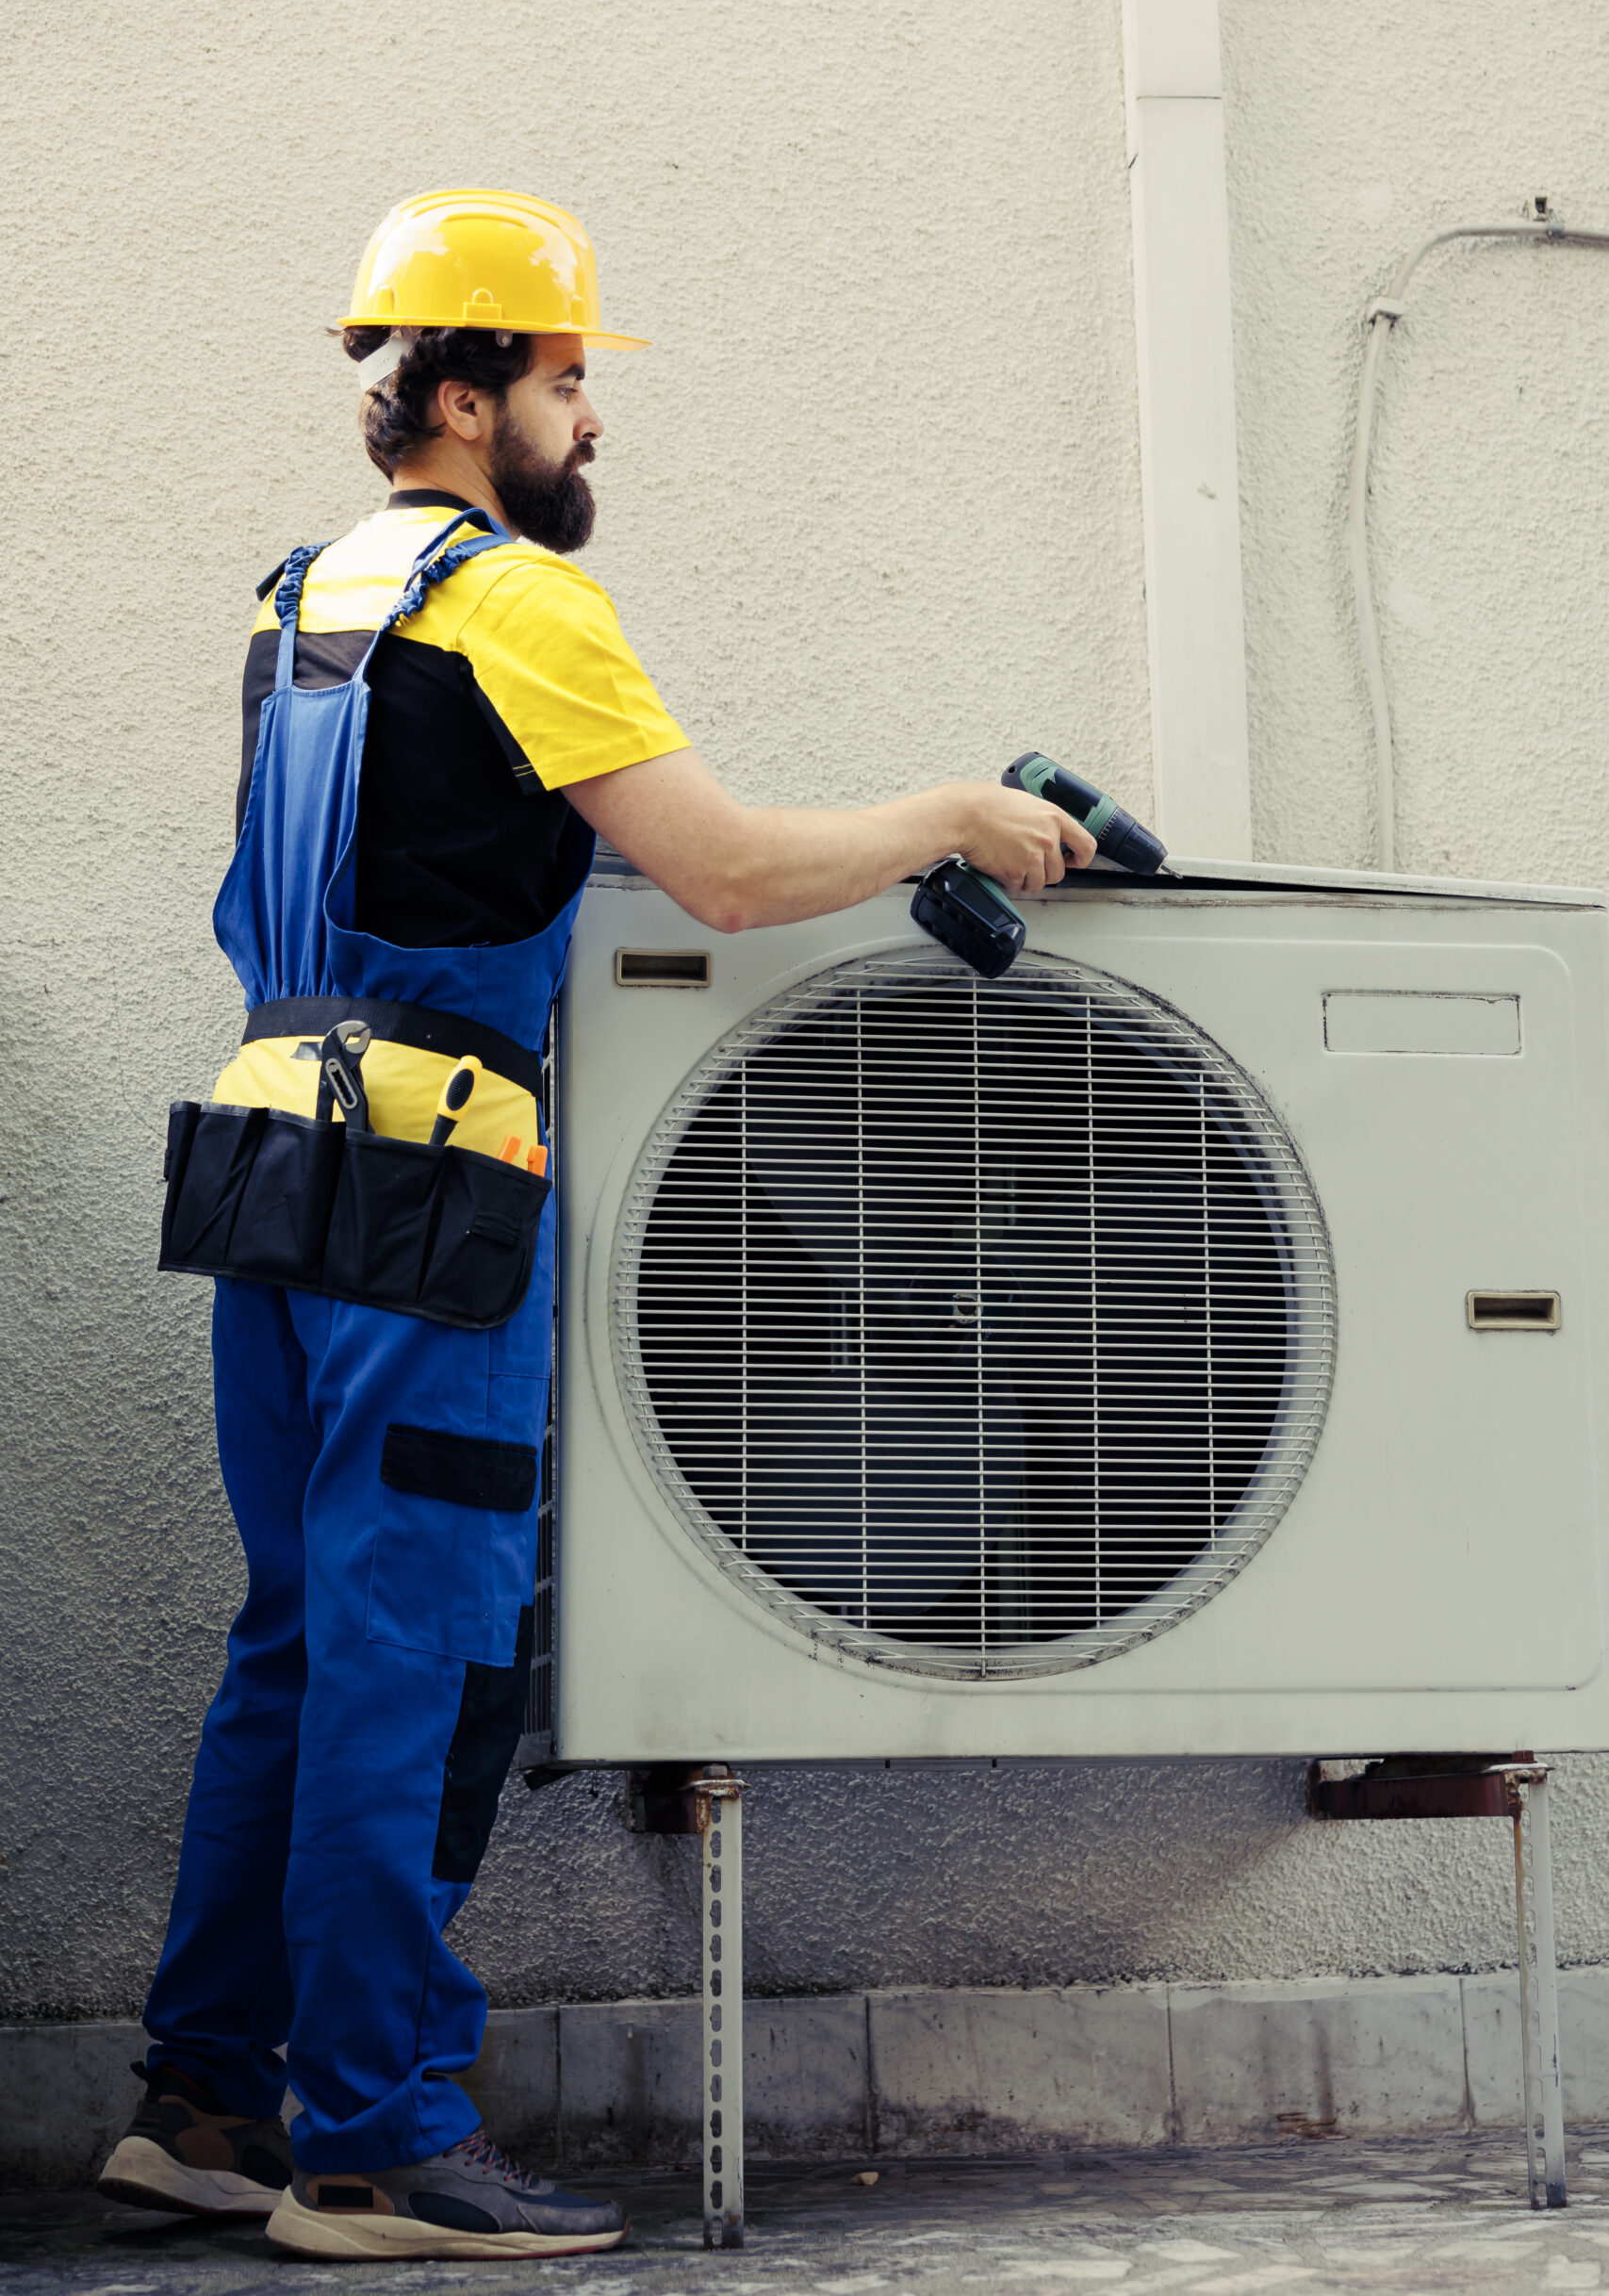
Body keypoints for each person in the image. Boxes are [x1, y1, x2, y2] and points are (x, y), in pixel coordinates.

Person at [98, 190, 1095, 2262]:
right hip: (431, 1190)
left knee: (289, 1643)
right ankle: (372, 2138)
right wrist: (944, 812)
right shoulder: (512, 601)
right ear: (461, 395)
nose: (587, 426)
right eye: (565, 383)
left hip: (276, 1153)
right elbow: (721, 871)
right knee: (408, 1647)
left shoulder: (306, 596)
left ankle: (205, 2097)